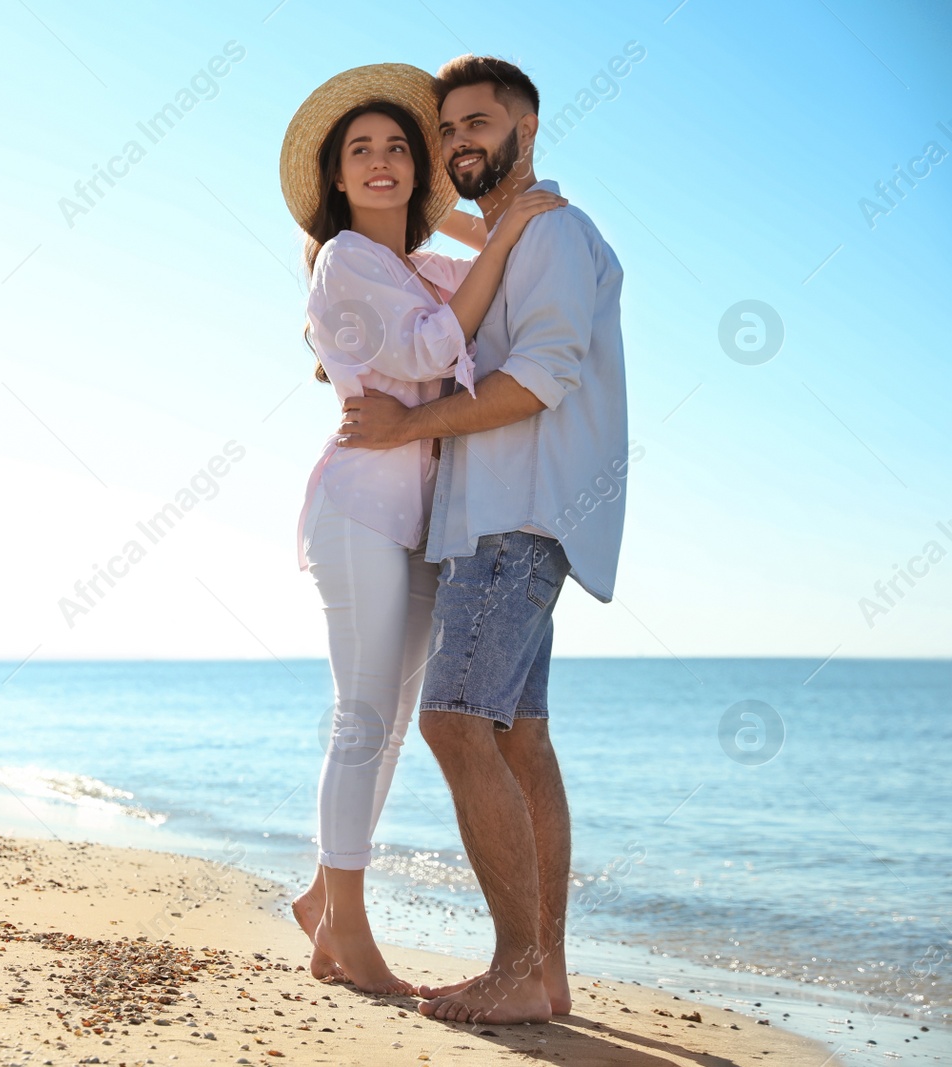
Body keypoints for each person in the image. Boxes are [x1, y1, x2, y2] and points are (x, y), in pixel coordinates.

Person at [337, 54, 630, 1024]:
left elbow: (539, 379)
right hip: (510, 519)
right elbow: (448, 245)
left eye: (477, 123)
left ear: (526, 128)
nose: (460, 141)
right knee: (519, 738)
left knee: (453, 721)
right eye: (447, 130)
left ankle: (515, 966)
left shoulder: (550, 237)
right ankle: (543, 974)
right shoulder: (519, 232)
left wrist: (401, 427)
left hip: (515, 516)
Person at [276, 62, 566, 995]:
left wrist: (497, 215)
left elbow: (494, 278)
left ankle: (325, 895)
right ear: (335, 177)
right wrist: (497, 231)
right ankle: (345, 935)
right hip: (359, 511)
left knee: (393, 726)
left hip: (416, 526)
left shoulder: (424, 265)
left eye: (400, 145)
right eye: (360, 150)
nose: (382, 159)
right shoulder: (344, 261)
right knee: (364, 720)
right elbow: (431, 346)